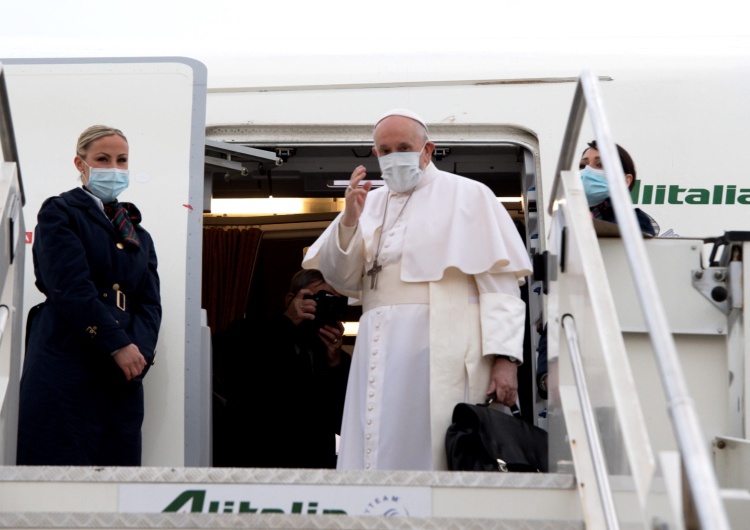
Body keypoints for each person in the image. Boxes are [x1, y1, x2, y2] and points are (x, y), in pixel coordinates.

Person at [302, 109, 532, 471]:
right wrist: (348, 220)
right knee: (373, 443)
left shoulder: (470, 196)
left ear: (428, 150)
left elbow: (500, 290)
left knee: (434, 450)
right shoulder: (368, 202)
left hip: (443, 346)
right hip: (376, 346)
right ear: (376, 155)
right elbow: (342, 278)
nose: (395, 155)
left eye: (404, 146)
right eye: (385, 149)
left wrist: (505, 360)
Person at [17, 125, 162, 466]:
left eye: (121, 160)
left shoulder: (137, 231)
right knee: (59, 466)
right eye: (102, 159)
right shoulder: (60, 212)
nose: (113, 168)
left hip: (122, 372)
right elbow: (69, 287)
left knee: (116, 476)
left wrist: (138, 353)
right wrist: (116, 344)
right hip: (68, 357)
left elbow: (150, 303)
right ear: (80, 164)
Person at [214, 269, 351, 468]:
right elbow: (235, 370)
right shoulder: (249, 332)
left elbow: (344, 423)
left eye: (333, 301)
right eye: (320, 297)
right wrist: (286, 322)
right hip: (257, 462)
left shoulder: (335, 358)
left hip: (315, 470)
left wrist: (335, 365)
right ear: (291, 299)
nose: (324, 306)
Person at [579, 140, 658, 236]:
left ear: (625, 181)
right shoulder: (568, 218)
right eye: (582, 166)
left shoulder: (634, 220)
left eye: (600, 164)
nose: (587, 171)